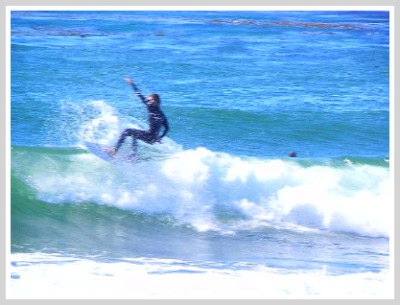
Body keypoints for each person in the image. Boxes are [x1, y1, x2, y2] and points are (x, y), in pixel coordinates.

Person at [109, 78, 169, 159]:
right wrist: (159, 138)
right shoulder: (162, 114)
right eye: (148, 100)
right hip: (153, 139)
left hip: (149, 136)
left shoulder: (151, 107)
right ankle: (133, 156)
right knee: (135, 134)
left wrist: (132, 84)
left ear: (155, 102)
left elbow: (139, 95)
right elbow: (167, 128)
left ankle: (114, 151)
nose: (148, 101)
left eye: (150, 100)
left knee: (126, 131)